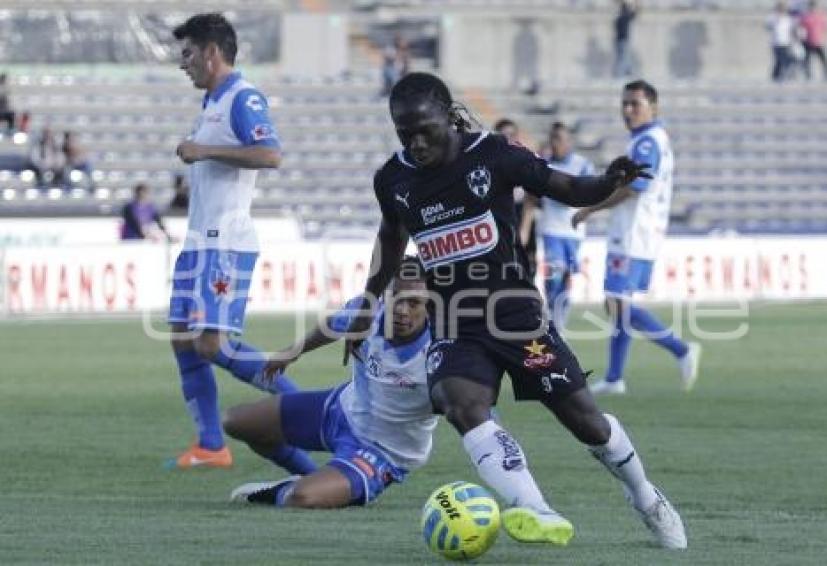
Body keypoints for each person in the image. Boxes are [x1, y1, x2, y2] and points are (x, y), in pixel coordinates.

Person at [349, 72, 687, 549]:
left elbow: (563, 186)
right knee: (459, 402)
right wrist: (367, 303)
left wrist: (607, 182)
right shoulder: (394, 179)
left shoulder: (492, 155)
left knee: (585, 421)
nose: (416, 142)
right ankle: (534, 507)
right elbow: (390, 237)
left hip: (515, 316)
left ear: (448, 116)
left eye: (425, 129)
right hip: (454, 321)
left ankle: (645, 495)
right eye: (405, 133)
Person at [167, 13, 316, 474]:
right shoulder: (213, 100)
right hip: (198, 242)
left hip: (225, 241)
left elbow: (270, 153)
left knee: (211, 345)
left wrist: (204, 150)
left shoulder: (242, 97)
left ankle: (311, 417)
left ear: (212, 53)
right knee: (183, 340)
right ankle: (211, 445)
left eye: (188, 53)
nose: (182, 63)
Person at [227, 258, 436, 508]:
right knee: (236, 422)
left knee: (303, 498)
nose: (402, 310)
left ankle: (287, 490)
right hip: (339, 410)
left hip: (382, 452)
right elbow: (333, 325)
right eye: (395, 298)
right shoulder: (368, 312)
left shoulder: (440, 350)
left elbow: (470, 401)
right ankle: (309, 475)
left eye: (413, 303)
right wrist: (292, 351)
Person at [572, 80, 701, 396]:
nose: (628, 110)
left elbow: (634, 188)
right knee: (619, 303)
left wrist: (590, 208)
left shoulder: (646, 143)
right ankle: (615, 378)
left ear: (653, 107)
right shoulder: (650, 140)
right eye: (625, 103)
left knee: (617, 302)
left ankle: (681, 349)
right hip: (642, 233)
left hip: (633, 234)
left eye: (635, 104)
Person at [520, 122, 594, 333]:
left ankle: (559, 322)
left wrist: (582, 207)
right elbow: (531, 197)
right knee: (554, 272)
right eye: (553, 139)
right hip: (552, 229)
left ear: (569, 141)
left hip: (574, 233)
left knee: (567, 278)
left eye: (559, 139)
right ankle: (552, 318)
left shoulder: (582, 165)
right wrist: (525, 227)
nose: (555, 144)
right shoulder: (544, 165)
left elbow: (591, 194)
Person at [495, 117, 539, 278]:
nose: (508, 139)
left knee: (528, 265)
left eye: (512, 134)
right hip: (500, 216)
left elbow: (531, 196)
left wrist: (525, 228)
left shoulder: (524, 158)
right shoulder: (490, 161)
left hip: (521, 213)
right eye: (503, 135)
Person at [799, 0, 827, 82]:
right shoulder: (806, 17)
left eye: (814, 7)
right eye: (811, 7)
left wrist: (825, 39)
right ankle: (808, 76)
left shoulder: (821, 16)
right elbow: (800, 28)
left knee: (824, 60)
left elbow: (826, 28)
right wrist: (801, 38)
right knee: (807, 61)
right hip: (808, 42)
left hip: (819, 42)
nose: (813, 9)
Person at [766, 1, 794, 82]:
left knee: (786, 60)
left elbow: (791, 30)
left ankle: (778, 76)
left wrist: (792, 41)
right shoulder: (773, 17)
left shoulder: (788, 19)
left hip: (786, 43)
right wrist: (777, 20)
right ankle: (776, 77)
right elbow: (768, 27)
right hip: (776, 44)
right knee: (780, 61)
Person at [613, 0, 638, 78]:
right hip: (623, 40)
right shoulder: (624, 17)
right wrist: (636, 4)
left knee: (624, 57)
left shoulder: (619, 18)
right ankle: (621, 74)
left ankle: (628, 72)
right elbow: (633, 14)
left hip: (619, 40)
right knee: (623, 58)